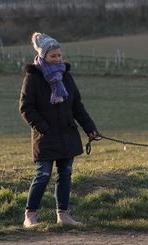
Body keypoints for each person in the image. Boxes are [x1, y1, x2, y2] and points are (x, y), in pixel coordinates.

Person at [19, 32, 101, 228]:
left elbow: (77, 106)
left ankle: (63, 215)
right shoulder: (33, 77)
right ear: (43, 56)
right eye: (53, 56)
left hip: (67, 133)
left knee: (65, 175)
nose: (57, 59)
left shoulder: (66, 76)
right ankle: (30, 216)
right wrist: (42, 127)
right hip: (45, 136)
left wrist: (90, 129)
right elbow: (26, 107)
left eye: (59, 55)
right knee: (43, 175)